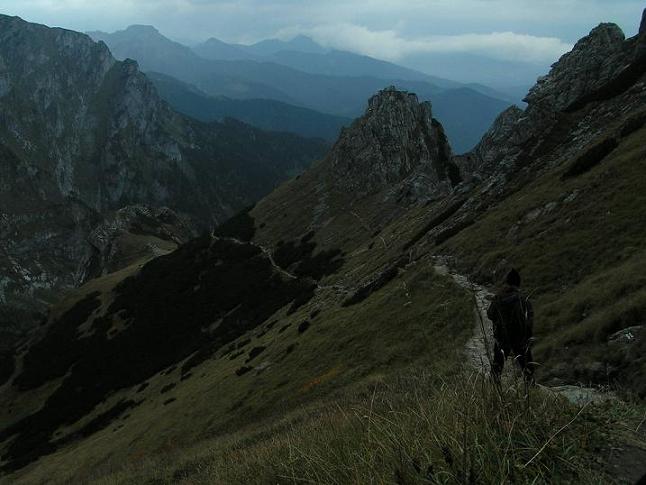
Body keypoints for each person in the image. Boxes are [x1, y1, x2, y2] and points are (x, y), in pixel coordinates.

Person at [487, 269, 535, 382]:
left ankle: (495, 388)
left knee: (497, 366)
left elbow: (490, 314)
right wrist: (528, 336)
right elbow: (529, 320)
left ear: (507, 282)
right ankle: (530, 388)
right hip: (519, 339)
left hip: (501, 337)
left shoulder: (498, 297)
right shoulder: (522, 300)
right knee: (527, 367)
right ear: (518, 283)